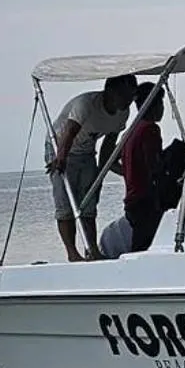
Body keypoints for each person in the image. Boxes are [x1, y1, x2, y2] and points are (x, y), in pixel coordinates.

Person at [46, 73, 137, 261]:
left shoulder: (123, 112)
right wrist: (60, 157)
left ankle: (92, 250)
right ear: (110, 91)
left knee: (89, 202)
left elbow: (108, 150)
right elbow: (69, 132)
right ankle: (72, 253)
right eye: (124, 95)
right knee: (66, 202)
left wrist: (118, 173)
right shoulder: (86, 104)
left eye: (131, 96)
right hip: (60, 144)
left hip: (87, 151)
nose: (128, 101)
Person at [98, 85, 167, 259]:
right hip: (146, 199)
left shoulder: (130, 131)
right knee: (144, 247)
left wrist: (129, 173)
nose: (162, 109)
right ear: (155, 104)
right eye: (161, 103)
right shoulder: (150, 129)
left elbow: (111, 160)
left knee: (139, 243)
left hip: (132, 198)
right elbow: (154, 166)